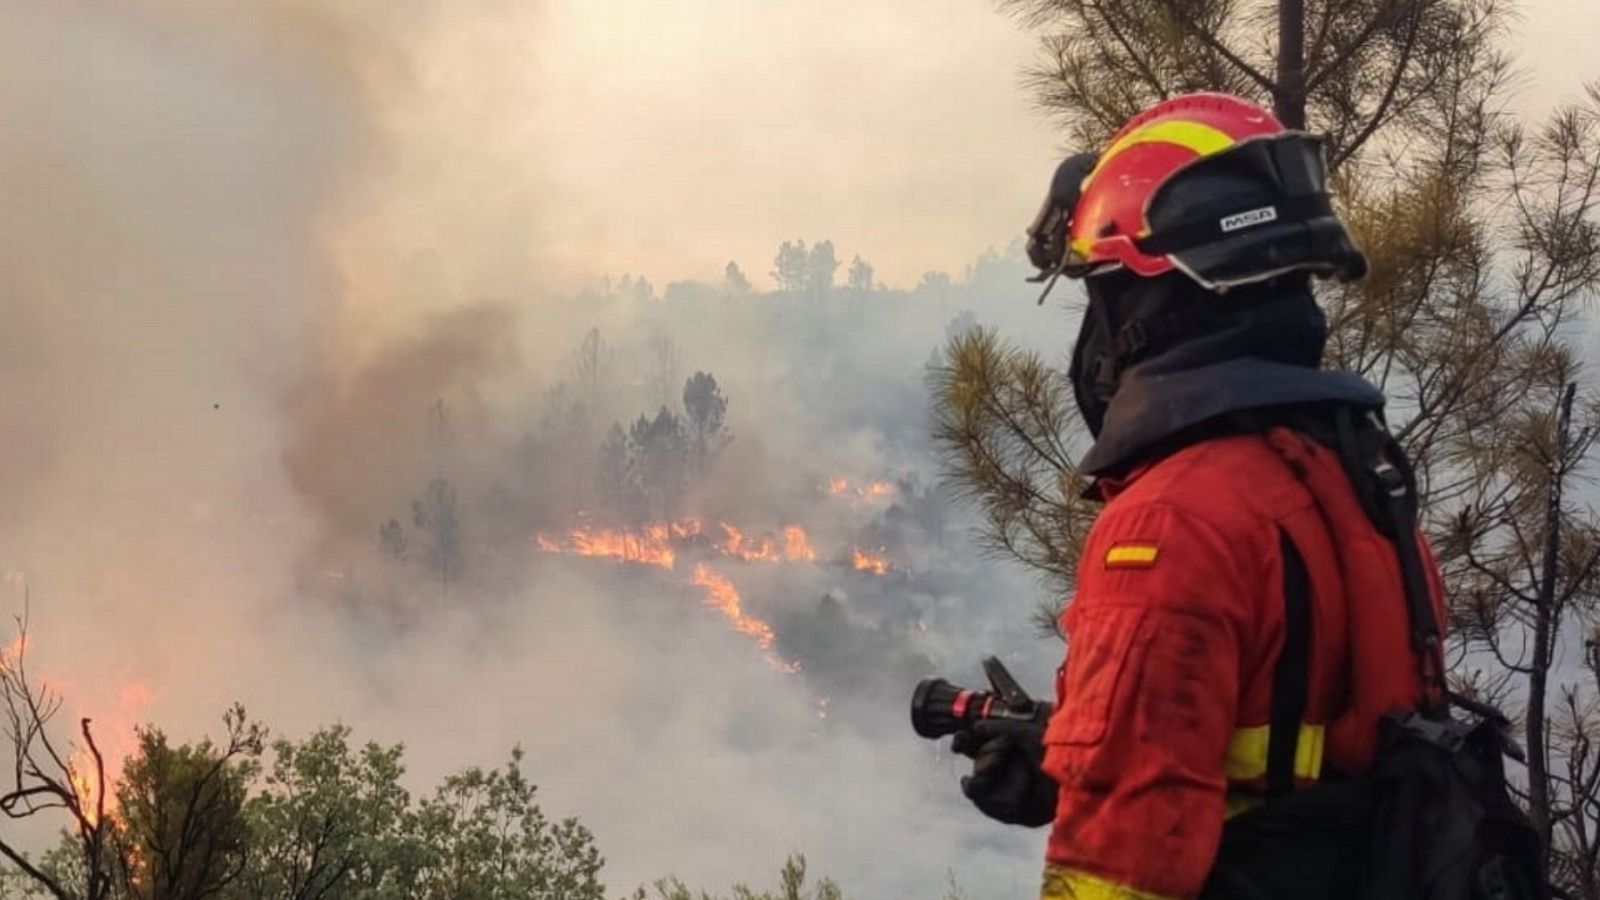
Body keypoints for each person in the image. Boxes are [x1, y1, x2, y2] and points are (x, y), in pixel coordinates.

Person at [952, 92, 1455, 899]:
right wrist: (1072, 755)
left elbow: (1117, 870)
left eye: (1103, 291)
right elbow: (1292, 742)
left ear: (1151, 298)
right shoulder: (1354, 481)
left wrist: (1106, 774)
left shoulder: (1168, 523)